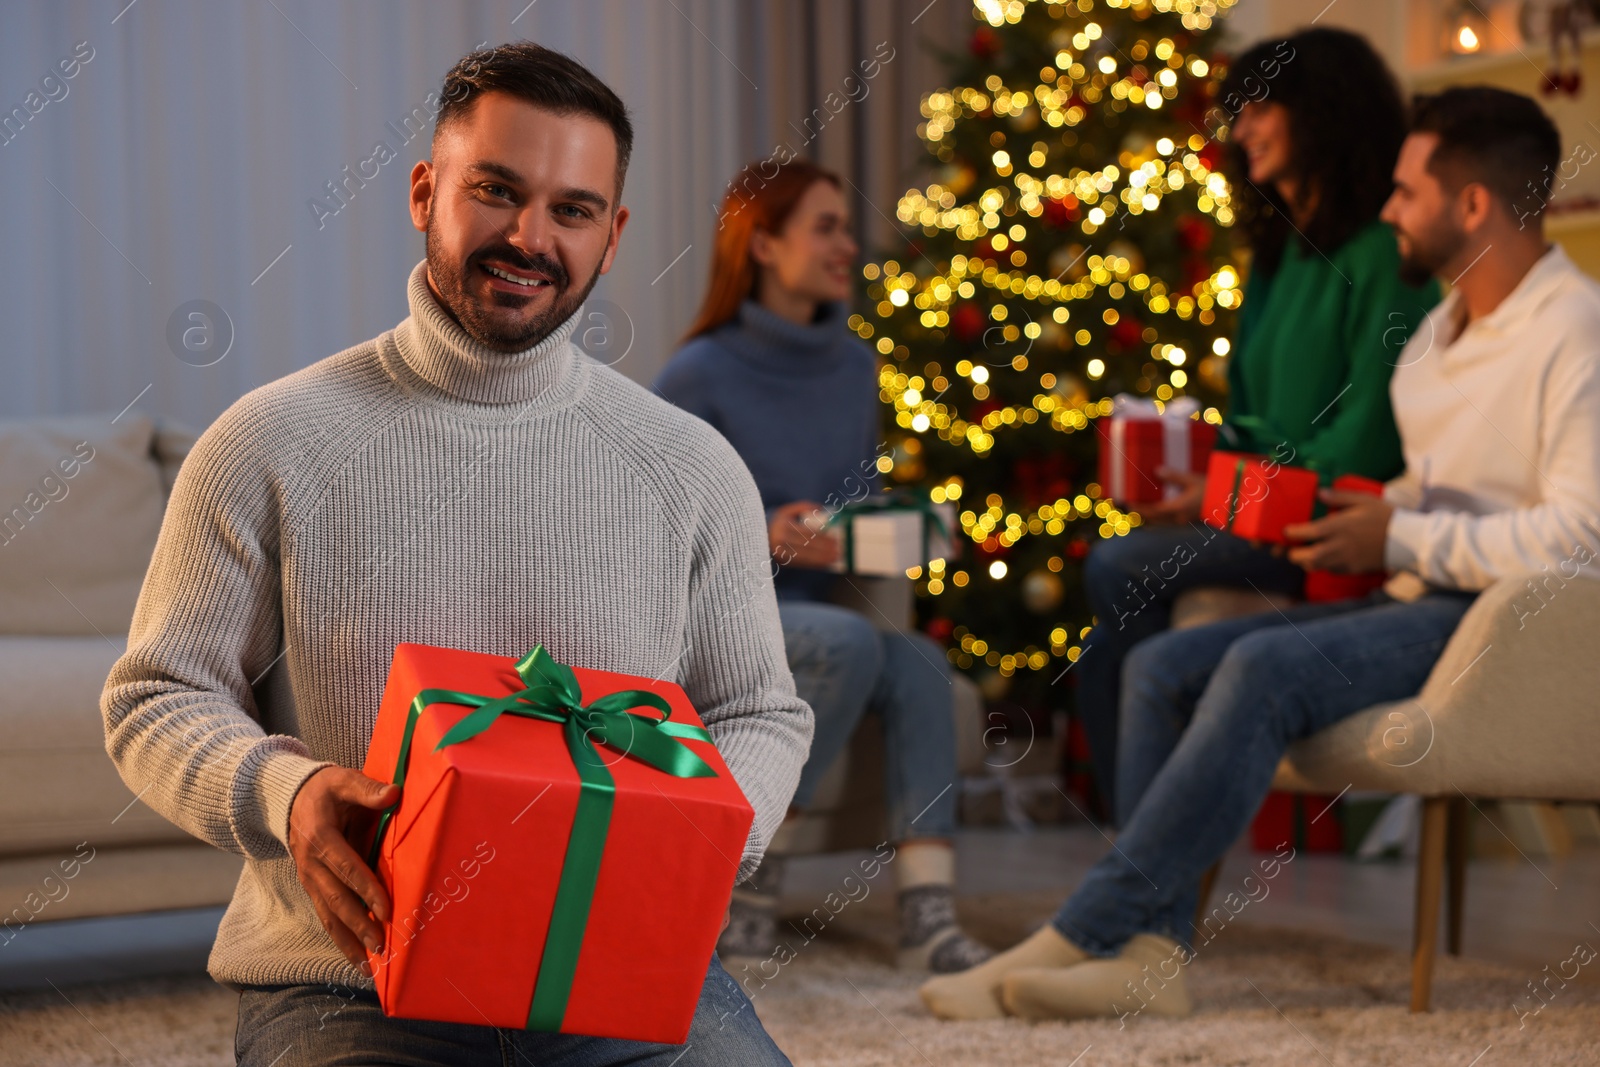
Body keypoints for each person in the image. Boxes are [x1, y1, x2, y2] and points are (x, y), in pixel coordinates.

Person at [101, 42, 809, 1066]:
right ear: (425, 192)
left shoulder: (689, 466)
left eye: (571, 210)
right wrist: (285, 792)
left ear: (611, 240)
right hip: (347, 979)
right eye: (495, 191)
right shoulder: (266, 441)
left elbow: (759, 708)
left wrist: (687, 847)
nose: (528, 237)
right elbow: (155, 695)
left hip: (620, 969)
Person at [921, 85, 1600, 1023]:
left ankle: (1086, 928)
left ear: (1473, 205)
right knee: (1159, 667)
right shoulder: (1437, 336)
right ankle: (1152, 953)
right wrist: (1362, 515)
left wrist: (1395, 531)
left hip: (1503, 623)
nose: (1389, 210)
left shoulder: (1576, 329)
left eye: (1406, 192)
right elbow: (1435, 488)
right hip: (1418, 593)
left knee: (1257, 662)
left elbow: (1579, 539)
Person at [1077, 27, 1440, 819]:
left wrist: (1221, 498)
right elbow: (1248, 418)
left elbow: (1368, 440)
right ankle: (1139, 853)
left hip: (1327, 514)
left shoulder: (1384, 252)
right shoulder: (1277, 256)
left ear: (1320, 111)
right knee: (1104, 646)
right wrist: (1202, 484)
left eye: (1255, 109)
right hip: (1258, 506)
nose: (1238, 133)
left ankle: (1141, 854)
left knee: (1114, 570)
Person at [654, 158, 991, 973]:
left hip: (824, 607)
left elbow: (856, 502)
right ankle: (748, 879)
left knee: (919, 659)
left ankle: (927, 911)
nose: (850, 244)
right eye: (827, 227)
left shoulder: (854, 367)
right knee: (848, 641)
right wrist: (761, 531)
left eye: (847, 226)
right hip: (722, 619)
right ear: (763, 243)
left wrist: (878, 531)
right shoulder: (698, 373)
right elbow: (659, 533)